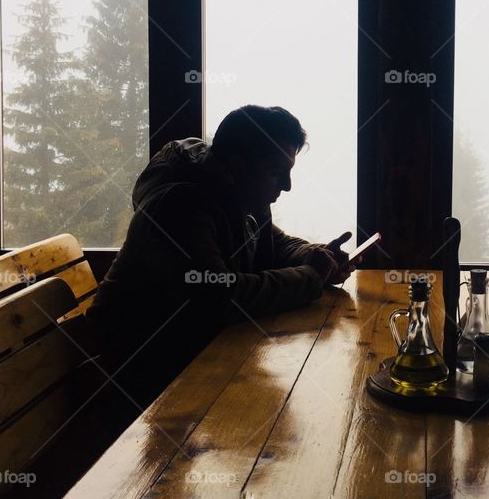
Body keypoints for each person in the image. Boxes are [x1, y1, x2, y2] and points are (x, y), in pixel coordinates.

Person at [87, 105, 357, 406]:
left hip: (184, 355)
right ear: (238, 165)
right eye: (276, 172)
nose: (287, 185)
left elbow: (276, 243)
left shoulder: (238, 194)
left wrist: (317, 256)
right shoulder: (179, 207)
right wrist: (311, 276)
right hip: (129, 376)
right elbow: (219, 298)